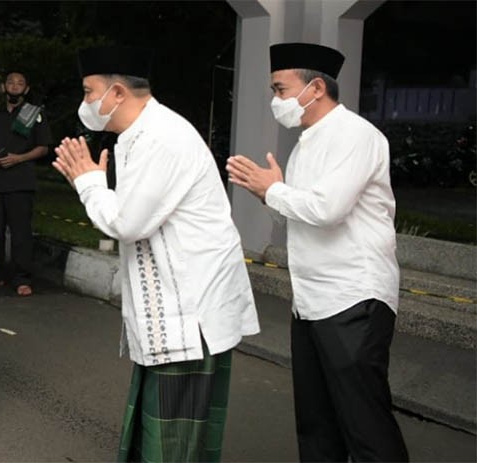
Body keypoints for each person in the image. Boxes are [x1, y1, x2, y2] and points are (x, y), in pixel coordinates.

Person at [53, 46, 260, 462]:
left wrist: (90, 183)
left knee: (173, 446)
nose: (86, 103)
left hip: (188, 315)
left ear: (115, 93)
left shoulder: (162, 138)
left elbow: (129, 223)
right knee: (160, 440)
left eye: (89, 92)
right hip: (172, 313)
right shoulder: (138, 135)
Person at [225, 42, 409, 462]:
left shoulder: (356, 136)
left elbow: (327, 209)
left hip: (353, 299)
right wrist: (273, 194)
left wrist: (273, 190)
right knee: (316, 425)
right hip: (310, 302)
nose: (276, 101)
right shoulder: (306, 143)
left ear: (316, 88)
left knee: (365, 426)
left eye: (281, 89)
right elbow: (304, 214)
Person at [0, 71, 52, 296]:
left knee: (21, 233)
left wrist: (18, 158)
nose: (15, 86)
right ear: (3, 87)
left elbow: (44, 147)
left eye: (20, 83)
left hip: (21, 182)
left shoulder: (34, 114)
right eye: (11, 82)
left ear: (26, 89)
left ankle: (21, 279)